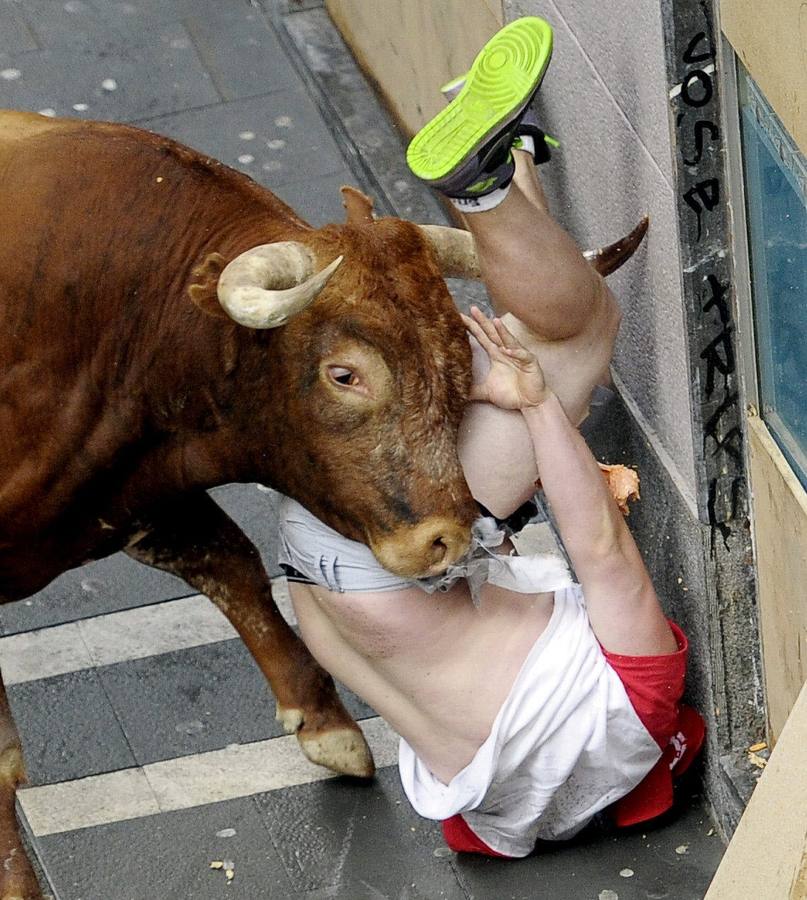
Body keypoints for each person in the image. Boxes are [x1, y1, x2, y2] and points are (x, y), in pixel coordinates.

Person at [277, 16, 705, 858]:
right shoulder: (489, 806)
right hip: (315, 558)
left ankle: (478, 181)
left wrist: (537, 401)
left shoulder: (639, 699)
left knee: (575, 337)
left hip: (390, 541)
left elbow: (600, 548)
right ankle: (506, 156)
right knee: (532, 344)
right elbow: (471, 837)